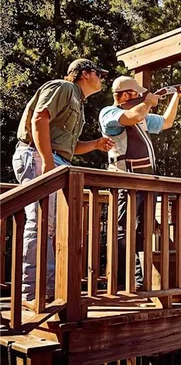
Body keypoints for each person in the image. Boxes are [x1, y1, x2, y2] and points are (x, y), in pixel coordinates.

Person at [13, 58, 115, 301]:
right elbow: (40, 118)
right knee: (41, 224)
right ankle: (32, 293)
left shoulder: (78, 103)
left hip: (56, 159)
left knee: (52, 228)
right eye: (100, 73)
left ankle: (48, 290)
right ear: (86, 73)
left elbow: (68, 146)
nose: (102, 79)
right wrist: (47, 162)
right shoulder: (64, 87)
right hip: (37, 155)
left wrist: (96, 145)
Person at [99, 76, 181, 289]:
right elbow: (131, 116)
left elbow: (166, 123)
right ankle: (124, 281)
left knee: (140, 230)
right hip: (125, 181)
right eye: (137, 93)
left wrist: (176, 96)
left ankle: (137, 281)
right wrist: (148, 101)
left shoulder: (140, 114)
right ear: (124, 96)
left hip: (144, 182)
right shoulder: (110, 113)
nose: (142, 96)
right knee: (124, 230)